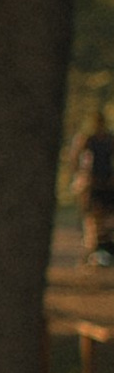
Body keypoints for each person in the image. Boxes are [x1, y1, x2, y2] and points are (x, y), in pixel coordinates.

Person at [72, 112, 114, 268]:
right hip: (92, 185)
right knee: (92, 220)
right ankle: (92, 253)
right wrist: (82, 177)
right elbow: (76, 159)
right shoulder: (87, 140)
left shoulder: (109, 140)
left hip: (107, 185)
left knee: (105, 220)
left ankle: (102, 253)